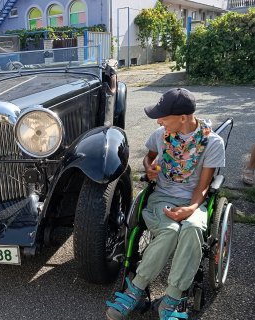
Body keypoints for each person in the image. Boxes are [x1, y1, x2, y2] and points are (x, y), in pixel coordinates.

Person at [105, 88, 225, 320]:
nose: (159, 121)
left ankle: (171, 299)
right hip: (162, 197)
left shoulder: (212, 143)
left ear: (183, 117)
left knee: (192, 228)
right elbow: (149, 157)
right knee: (169, 232)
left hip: (194, 201)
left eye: (163, 116)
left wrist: (190, 209)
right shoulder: (160, 136)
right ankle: (135, 290)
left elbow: (203, 186)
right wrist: (148, 166)